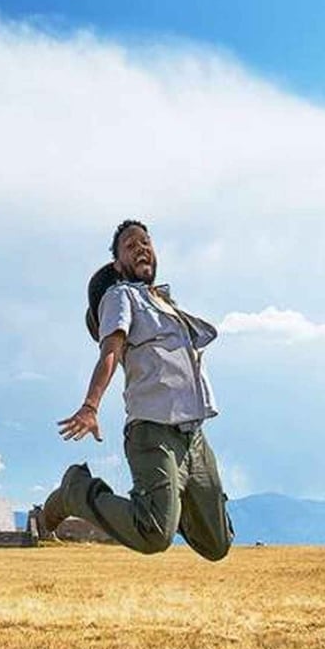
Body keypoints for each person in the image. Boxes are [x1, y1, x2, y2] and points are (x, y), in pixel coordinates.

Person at [41, 220, 233, 559]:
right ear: (118, 265)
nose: (141, 248)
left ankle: (170, 502)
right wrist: (90, 406)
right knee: (153, 534)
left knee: (217, 545)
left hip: (194, 436)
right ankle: (76, 492)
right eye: (130, 246)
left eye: (146, 242)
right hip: (153, 431)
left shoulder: (166, 305)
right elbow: (110, 351)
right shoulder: (120, 296)